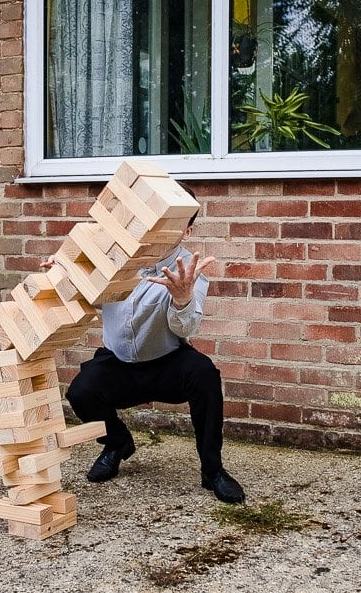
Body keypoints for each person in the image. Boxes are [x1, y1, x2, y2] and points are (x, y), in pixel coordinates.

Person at [55, 192, 246, 504]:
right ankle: (117, 443)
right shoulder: (114, 258)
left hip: (166, 361)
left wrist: (182, 298)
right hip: (117, 361)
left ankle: (213, 471)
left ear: (187, 231)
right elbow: (83, 294)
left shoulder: (188, 272)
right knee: (80, 392)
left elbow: (186, 328)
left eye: (174, 225)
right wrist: (62, 273)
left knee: (206, 377)